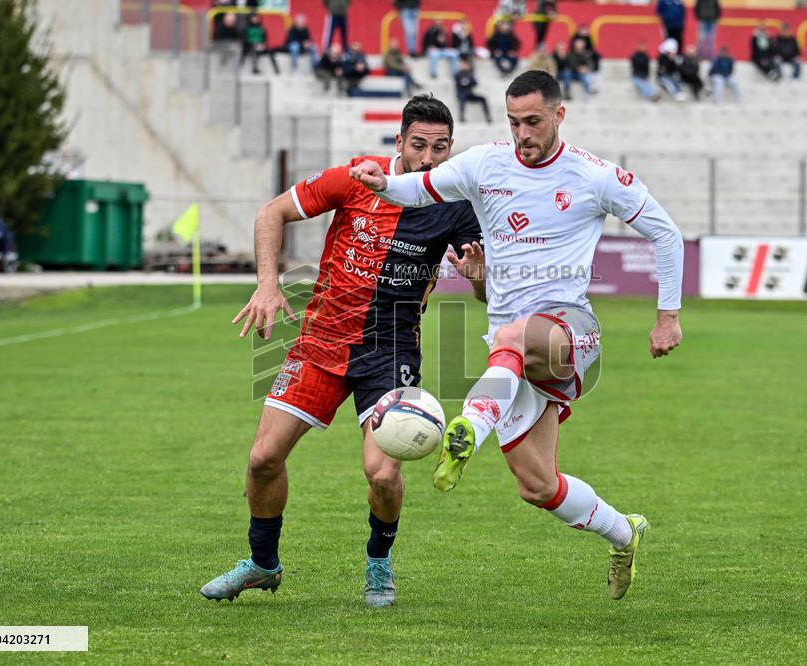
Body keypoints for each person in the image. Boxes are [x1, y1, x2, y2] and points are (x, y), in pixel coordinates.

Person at [349, 70, 684, 601]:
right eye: (513, 122)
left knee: (516, 333)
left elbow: (665, 233)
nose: (522, 133)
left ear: (558, 115)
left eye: (532, 122)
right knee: (538, 485)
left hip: (569, 335)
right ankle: (625, 533)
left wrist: (668, 315)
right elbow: (421, 188)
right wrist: (381, 183)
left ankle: (467, 434)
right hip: (510, 360)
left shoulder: (595, 176)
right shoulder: (486, 163)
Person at [200, 95, 483, 608]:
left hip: (391, 350)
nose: (429, 158)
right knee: (263, 458)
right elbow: (273, 214)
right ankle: (263, 564)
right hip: (320, 342)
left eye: (440, 148)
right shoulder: (357, 177)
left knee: (382, 472)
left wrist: (479, 279)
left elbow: (483, 285)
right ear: (399, 142)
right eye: (419, 145)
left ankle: (379, 564)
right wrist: (268, 285)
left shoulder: (457, 204)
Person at [456, 56, 493, 123]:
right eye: (463, 65)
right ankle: (461, 117)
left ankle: (488, 117)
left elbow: (475, 83)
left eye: (466, 65)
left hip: (470, 93)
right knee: (462, 100)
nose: (464, 66)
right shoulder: (458, 74)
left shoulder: (470, 74)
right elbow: (458, 85)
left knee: (483, 99)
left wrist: (469, 82)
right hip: (462, 94)